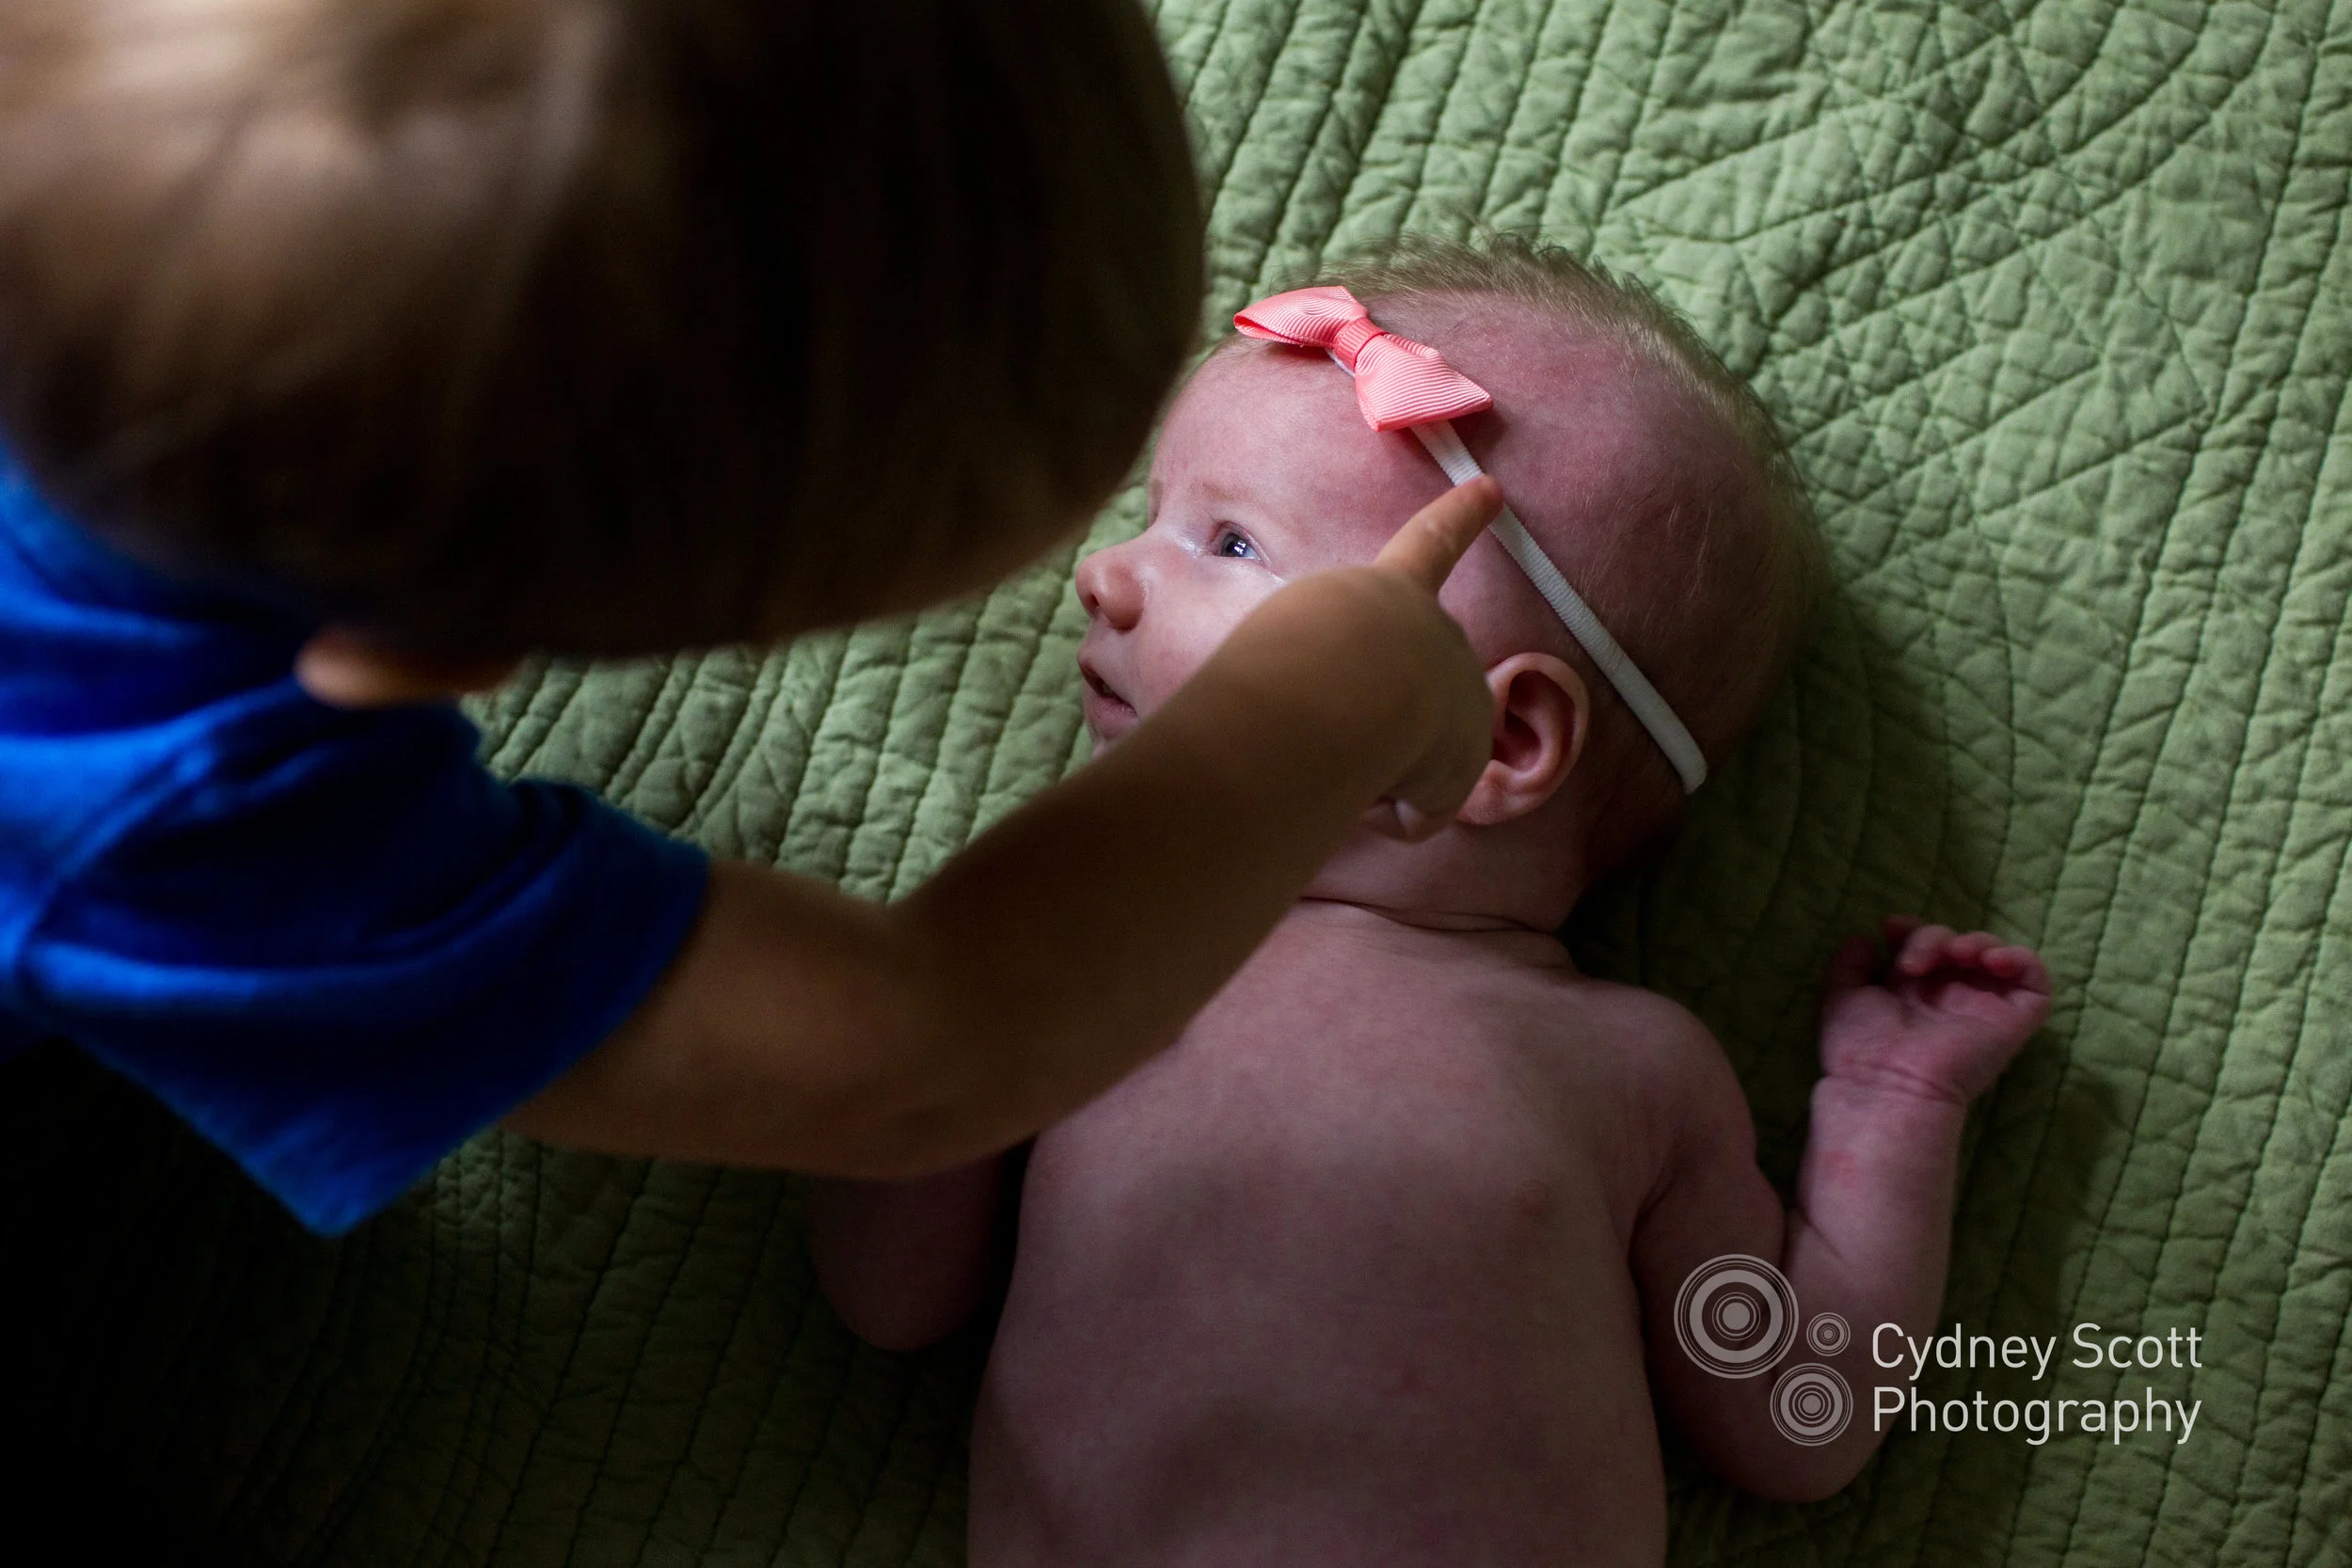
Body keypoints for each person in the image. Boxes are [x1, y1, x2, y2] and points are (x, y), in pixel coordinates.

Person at [0, 0, 1501, 1235]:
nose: (1104, 575)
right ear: (422, 664)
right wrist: (1331, 689)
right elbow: (926, 1048)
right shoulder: (183, 799)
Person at [808, 236, 2054, 1564]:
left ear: (1502, 739)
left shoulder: (1627, 1069)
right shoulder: (1087, 963)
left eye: (1229, 541)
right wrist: (950, 998)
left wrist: (1892, 1108)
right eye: (1157, 515)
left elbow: (1799, 1415)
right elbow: (892, 1294)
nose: (1105, 574)